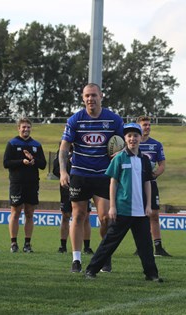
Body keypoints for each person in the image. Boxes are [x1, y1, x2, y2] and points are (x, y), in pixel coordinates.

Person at [84, 123, 162, 282]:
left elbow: (147, 182)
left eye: (135, 135)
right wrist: (112, 206)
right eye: (129, 136)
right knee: (109, 242)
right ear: (124, 139)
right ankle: (91, 270)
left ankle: (151, 274)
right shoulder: (119, 158)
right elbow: (113, 183)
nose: (132, 138)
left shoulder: (145, 160)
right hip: (123, 209)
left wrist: (148, 206)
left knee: (145, 245)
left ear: (140, 138)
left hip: (141, 211)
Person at [59, 83, 123, 273]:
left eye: (94, 95)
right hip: (80, 174)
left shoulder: (113, 120)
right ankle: (76, 260)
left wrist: (118, 157)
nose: (90, 99)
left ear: (101, 96)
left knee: (105, 218)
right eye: (87, 95)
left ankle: (104, 255)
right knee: (78, 215)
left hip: (104, 175)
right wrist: (63, 172)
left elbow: (121, 146)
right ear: (82, 97)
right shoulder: (75, 120)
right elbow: (64, 148)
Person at [3, 118, 46, 253]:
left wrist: (33, 160)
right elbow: (6, 163)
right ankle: (13, 243)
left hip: (32, 183)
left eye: (28, 127)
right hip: (17, 183)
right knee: (15, 213)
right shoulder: (12, 143)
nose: (26, 129)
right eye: (23, 127)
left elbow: (43, 164)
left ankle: (27, 244)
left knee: (29, 213)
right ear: (18, 128)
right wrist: (22, 161)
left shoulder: (36, 145)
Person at [136, 116, 172, 257]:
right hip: (134, 185)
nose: (147, 127)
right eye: (144, 125)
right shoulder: (131, 143)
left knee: (154, 214)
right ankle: (141, 245)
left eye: (149, 125)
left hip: (151, 184)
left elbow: (162, 164)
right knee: (137, 216)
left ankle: (158, 247)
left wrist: (155, 174)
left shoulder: (156, 145)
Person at [52, 144, 94, 254]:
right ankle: (63, 246)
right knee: (65, 216)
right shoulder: (61, 150)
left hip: (83, 186)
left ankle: (87, 247)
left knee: (85, 217)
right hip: (66, 188)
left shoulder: (83, 148)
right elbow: (56, 170)